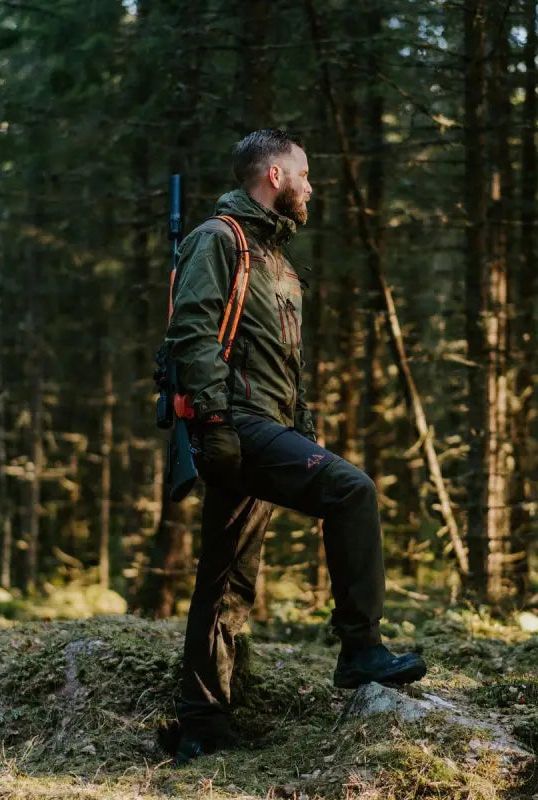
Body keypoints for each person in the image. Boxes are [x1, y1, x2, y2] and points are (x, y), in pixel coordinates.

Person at [165, 128, 427, 764]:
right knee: (351, 489)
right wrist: (216, 421)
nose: (313, 186)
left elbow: (279, 359)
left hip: (261, 422)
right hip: (237, 421)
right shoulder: (219, 239)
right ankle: (361, 649)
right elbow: (192, 333)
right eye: (304, 175)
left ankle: (203, 725)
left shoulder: (275, 260)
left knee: (227, 577)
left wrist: (300, 426)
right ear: (275, 177)